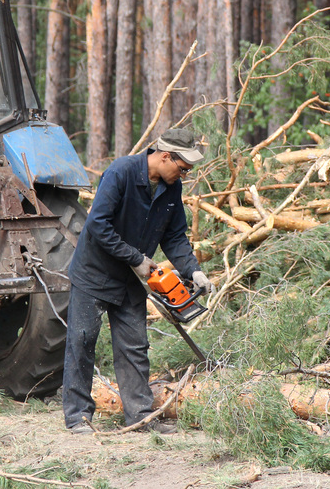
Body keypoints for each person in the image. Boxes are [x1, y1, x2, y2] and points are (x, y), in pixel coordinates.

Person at [63, 127, 212, 435]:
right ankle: (78, 416)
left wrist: (194, 270)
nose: (184, 175)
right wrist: (136, 258)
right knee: (82, 340)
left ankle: (141, 416)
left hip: (131, 278)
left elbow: (174, 236)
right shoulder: (121, 173)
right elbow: (98, 225)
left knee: (134, 346)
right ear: (166, 156)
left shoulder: (171, 189)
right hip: (94, 271)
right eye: (182, 168)